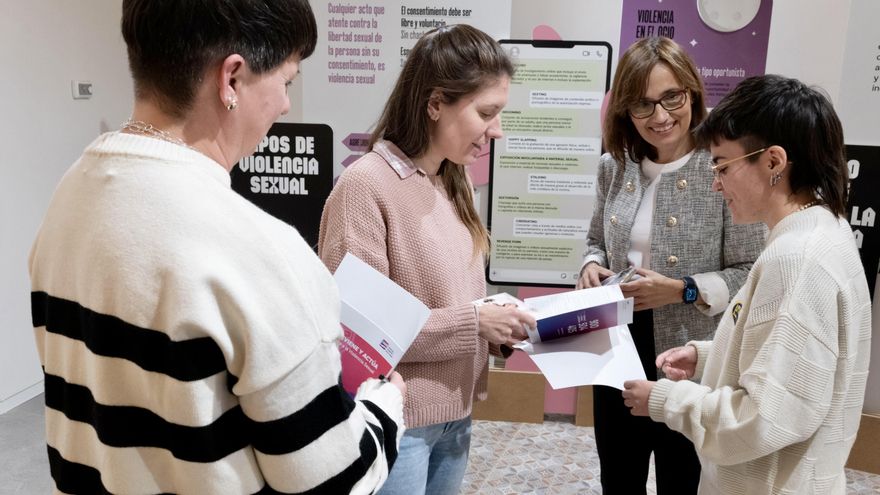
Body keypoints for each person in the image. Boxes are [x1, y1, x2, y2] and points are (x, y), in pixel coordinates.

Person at [28, 1, 405, 493]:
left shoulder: (68, 195)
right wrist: (384, 408)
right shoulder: (260, 250)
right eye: (286, 81)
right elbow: (333, 482)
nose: (287, 105)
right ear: (232, 79)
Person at [623, 74, 872, 494]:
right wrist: (706, 356)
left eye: (722, 165)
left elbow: (765, 418)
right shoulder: (822, 231)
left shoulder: (797, 259)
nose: (716, 183)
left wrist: (666, 401)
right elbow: (789, 361)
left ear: (774, 162)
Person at [318, 25, 535, 495]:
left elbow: (451, 299)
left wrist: (499, 329)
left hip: (454, 419)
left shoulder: (451, 182)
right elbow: (358, 333)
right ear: (436, 103)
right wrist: (475, 323)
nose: (496, 130)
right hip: (396, 422)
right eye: (486, 113)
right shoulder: (365, 187)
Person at [577, 37, 765, 494]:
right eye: (643, 105)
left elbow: (750, 271)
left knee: (684, 476)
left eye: (671, 97)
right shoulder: (614, 166)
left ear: (693, 94)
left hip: (690, 353)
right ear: (625, 110)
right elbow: (596, 240)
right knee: (619, 473)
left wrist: (683, 288)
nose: (660, 117)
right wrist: (590, 264)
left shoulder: (722, 168)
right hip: (617, 345)